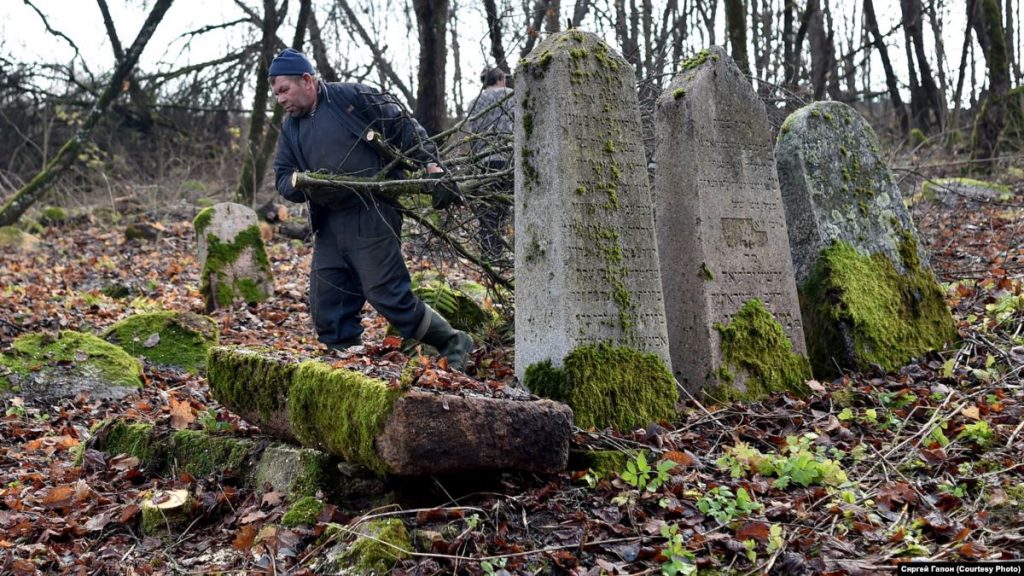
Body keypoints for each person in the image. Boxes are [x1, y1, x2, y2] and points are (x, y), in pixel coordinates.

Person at [269, 48, 473, 370]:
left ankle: (453, 341)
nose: (280, 99)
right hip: (329, 223)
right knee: (328, 304)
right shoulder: (290, 128)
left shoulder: (352, 97)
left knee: (387, 294)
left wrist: (433, 168)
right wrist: (299, 185)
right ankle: (348, 367)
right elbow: (281, 174)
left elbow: (403, 126)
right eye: (275, 93)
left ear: (307, 80)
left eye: (284, 90)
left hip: (373, 212)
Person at [465, 67, 514, 260]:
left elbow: (471, 133)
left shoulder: (473, 103)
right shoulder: (510, 96)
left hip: (483, 162)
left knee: (487, 214)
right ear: (500, 79)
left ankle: (490, 256)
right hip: (509, 161)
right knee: (508, 208)